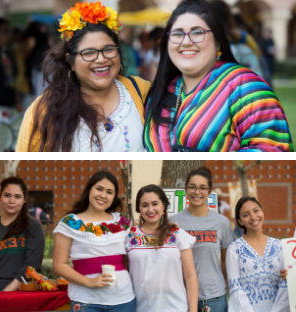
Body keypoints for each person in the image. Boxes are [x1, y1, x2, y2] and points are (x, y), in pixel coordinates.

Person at [143, 0, 292, 152]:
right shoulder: (162, 92)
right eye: (177, 34)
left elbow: (274, 149)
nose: (186, 41)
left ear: (218, 42)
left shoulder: (246, 87)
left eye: (197, 32)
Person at [16, 2, 151, 152]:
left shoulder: (141, 91)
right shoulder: (43, 110)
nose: (101, 59)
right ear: (70, 62)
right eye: (88, 53)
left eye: (108, 49)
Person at [53, 171, 135, 311]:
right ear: (89, 189)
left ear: (114, 197)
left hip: (123, 298)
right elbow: (59, 265)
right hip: (86, 299)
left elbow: (132, 256)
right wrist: (89, 282)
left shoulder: (122, 222)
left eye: (109, 192)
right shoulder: (70, 223)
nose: (103, 195)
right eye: (99, 189)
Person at [169, 166, 236, 312]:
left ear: (209, 191)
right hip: (181, 298)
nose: (197, 192)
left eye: (202, 188)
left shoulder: (221, 222)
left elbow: (228, 261)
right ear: (186, 190)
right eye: (192, 187)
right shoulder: (173, 222)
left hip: (215, 299)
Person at [125, 184, 198, 312]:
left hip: (176, 308)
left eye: (155, 204)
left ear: (163, 206)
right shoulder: (129, 236)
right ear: (139, 209)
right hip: (140, 308)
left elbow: (190, 276)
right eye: (144, 205)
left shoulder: (178, 234)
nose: (150, 209)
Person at [226, 197, 288, 312]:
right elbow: (235, 288)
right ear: (240, 221)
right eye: (246, 215)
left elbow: (285, 285)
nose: (253, 217)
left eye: (256, 210)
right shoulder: (234, 248)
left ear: (262, 212)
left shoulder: (279, 246)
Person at [0, 177, 44, 291]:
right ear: (0, 196)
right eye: (7, 195)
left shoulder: (33, 226)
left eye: (17, 197)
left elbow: (32, 265)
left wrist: (8, 291)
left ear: (24, 200)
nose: (11, 201)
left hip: (20, 291)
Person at [0, 18, 18, 110]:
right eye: (5, 31)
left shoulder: (4, 53)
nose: (9, 35)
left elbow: (10, 79)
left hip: (8, 106)